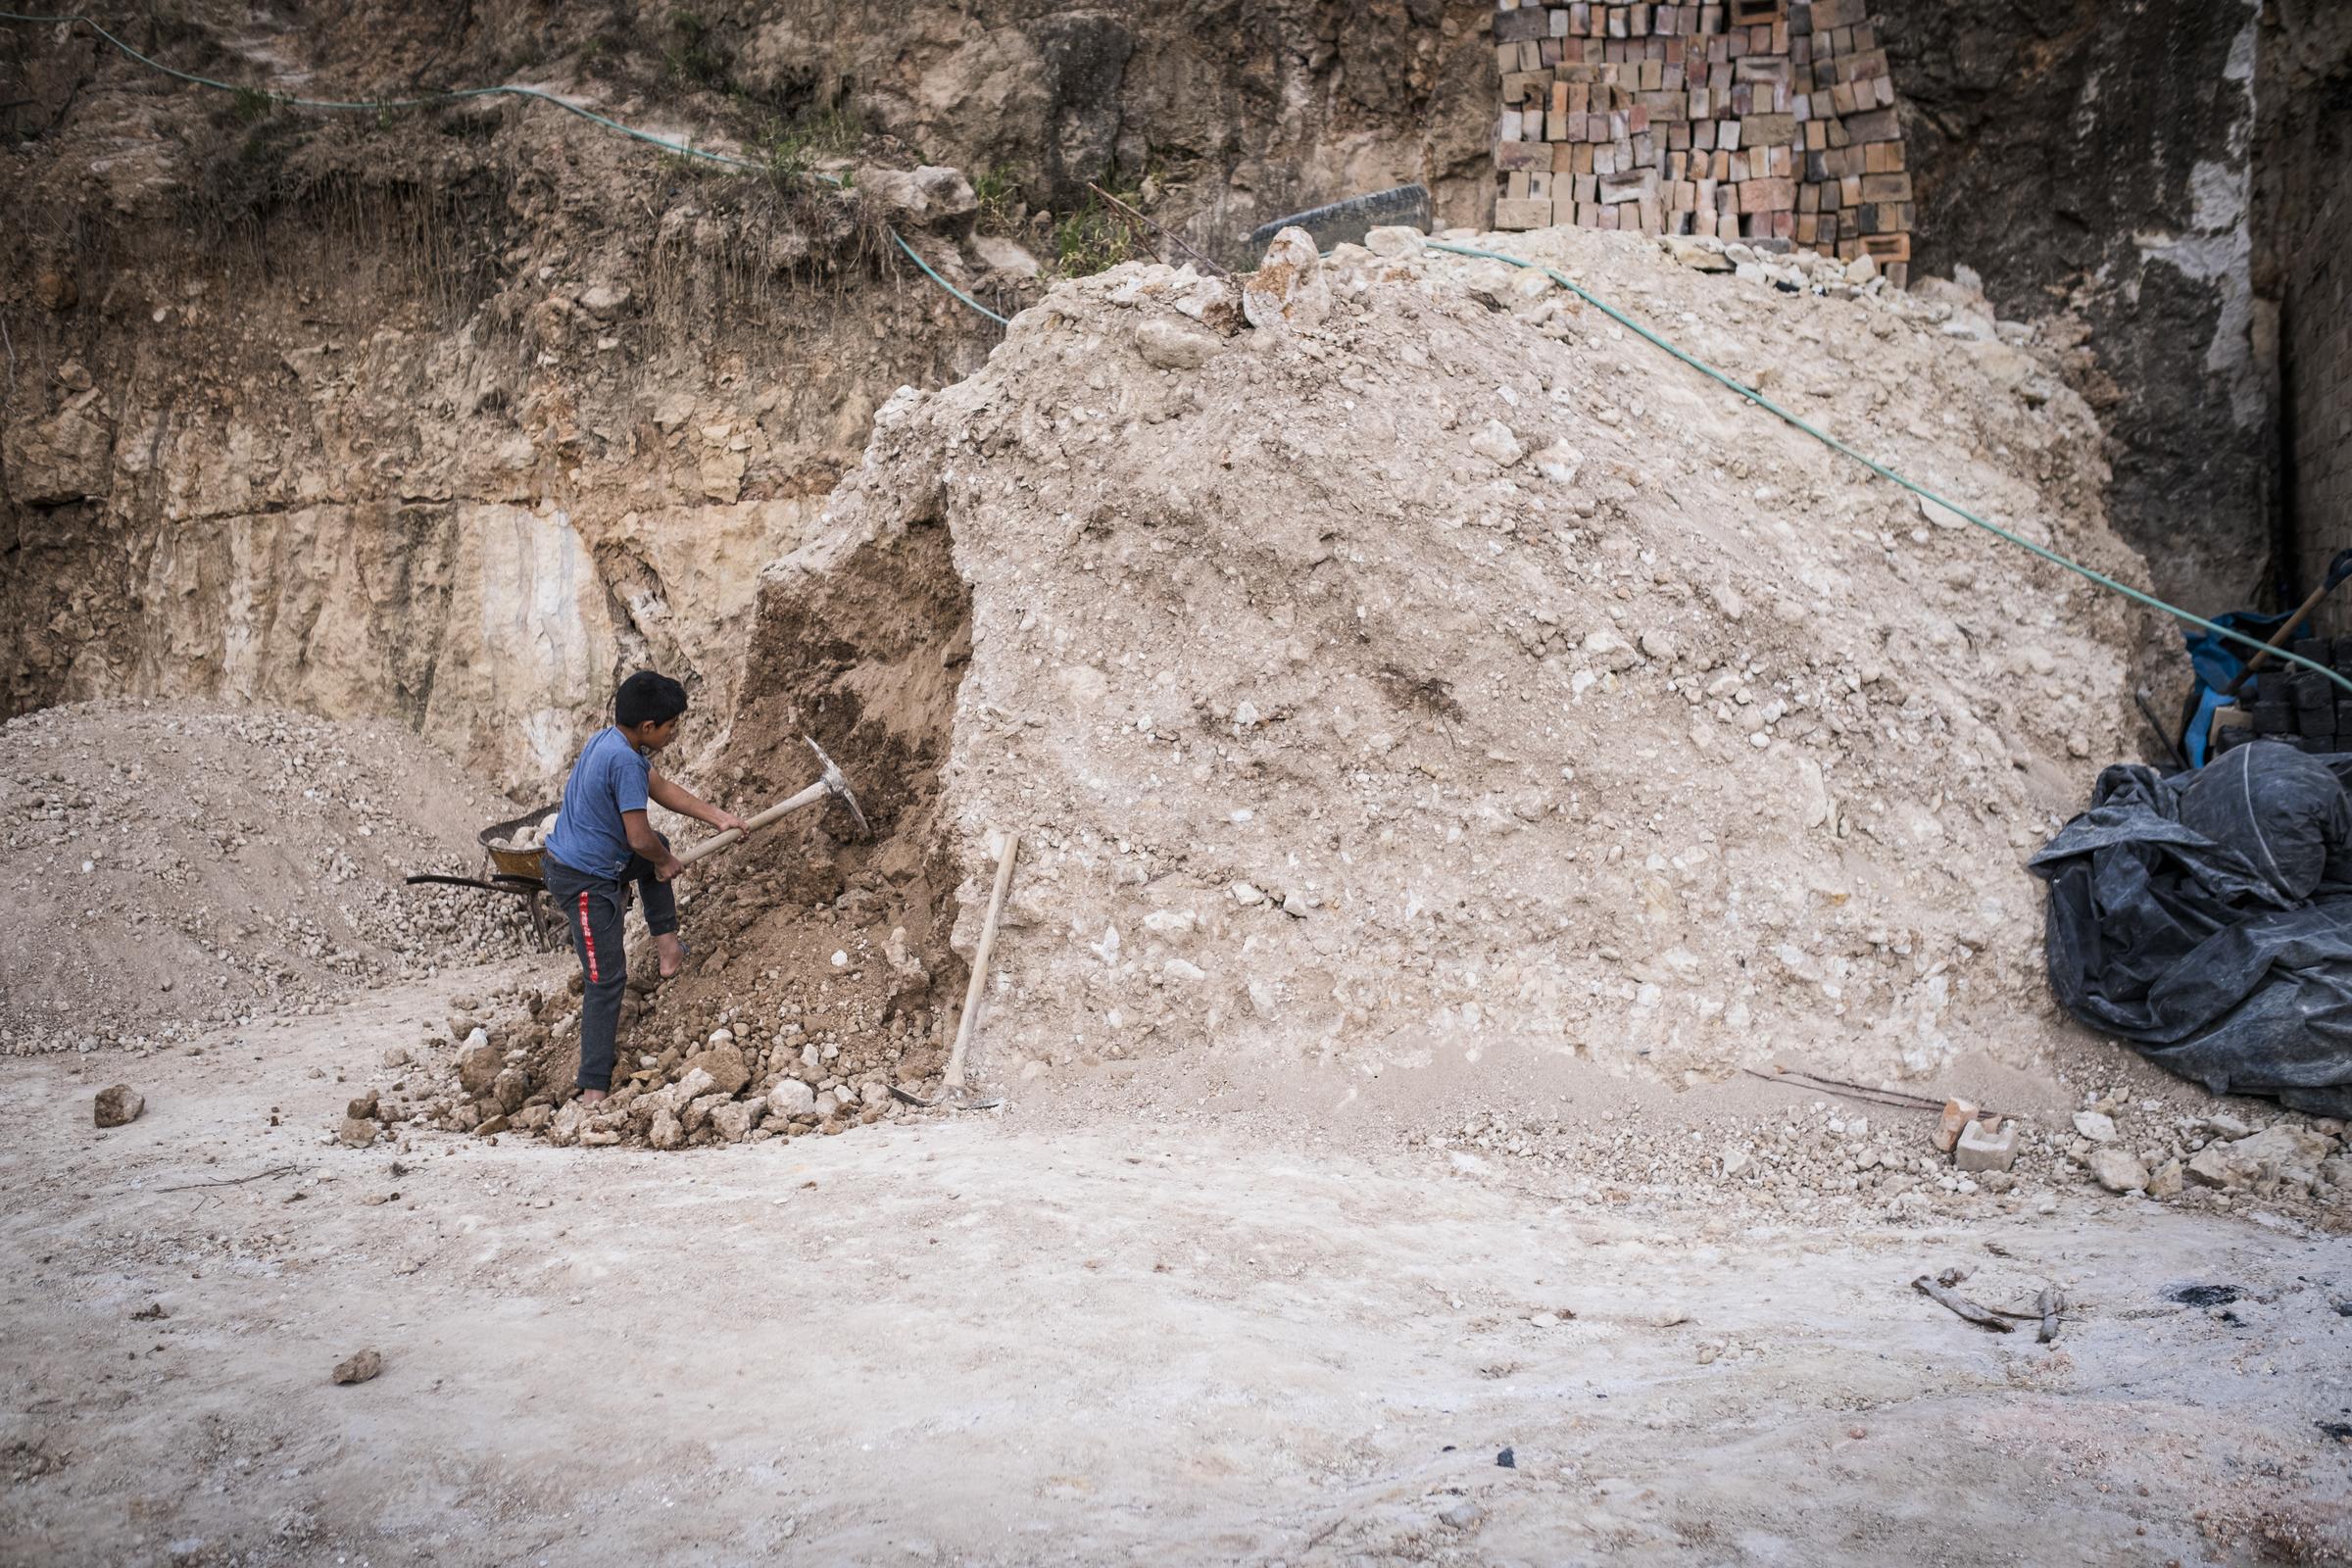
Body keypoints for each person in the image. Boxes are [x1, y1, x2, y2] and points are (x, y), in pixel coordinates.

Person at [541, 670, 748, 1103]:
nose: (674, 733)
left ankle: (669, 951)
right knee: (606, 977)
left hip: (603, 861)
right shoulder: (623, 761)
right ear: (649, 727)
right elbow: (639, 837)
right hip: (583, 878)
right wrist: (664, 862)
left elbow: (664, 789)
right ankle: (593, 1088)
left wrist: (718, 817)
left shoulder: (612, 742)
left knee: (659, 850)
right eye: (671, 726)